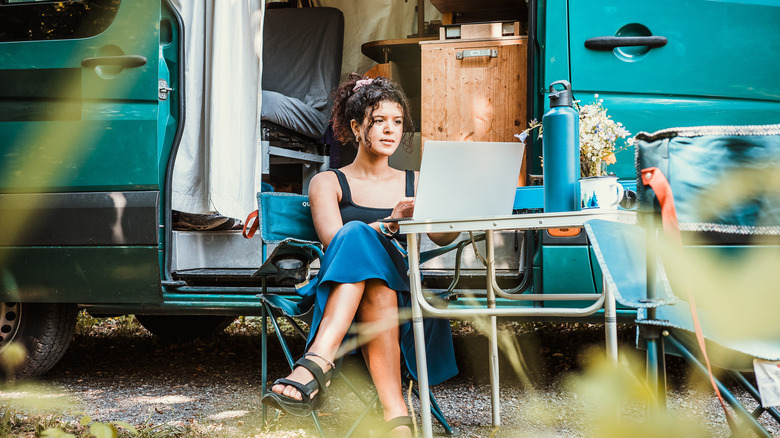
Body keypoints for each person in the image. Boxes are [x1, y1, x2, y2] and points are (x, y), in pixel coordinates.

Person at [261, 73, 460, 437]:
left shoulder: (417, 181)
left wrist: (453, 206)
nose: (390, 130)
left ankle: (316, 361)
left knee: (379, 276)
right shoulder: (328, 182)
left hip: (405, 294)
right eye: (378, 121)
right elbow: (337, 243)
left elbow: (443, 235)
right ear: (355, 127)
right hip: (341, 290)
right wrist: (390, 223)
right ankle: (395, 412)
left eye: (397, 122)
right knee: (361, 254)